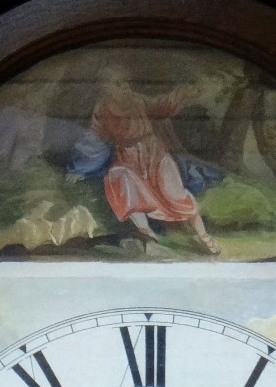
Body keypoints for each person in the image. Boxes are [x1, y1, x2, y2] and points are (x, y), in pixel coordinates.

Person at [79, 66, 220, 254]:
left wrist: (183, 93)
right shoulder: (102, 109)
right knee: (121, 180)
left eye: (126, 82)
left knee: (176, 194)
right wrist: (81, 168)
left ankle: (204, 236)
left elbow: (160, 105)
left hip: (154, 154)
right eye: (118, 83)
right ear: (106, 89)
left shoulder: (138, 101)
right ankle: (146, 231)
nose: (125, 87)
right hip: (127, 158)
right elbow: (94, 139)